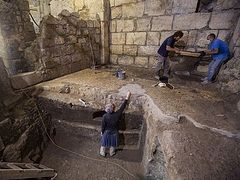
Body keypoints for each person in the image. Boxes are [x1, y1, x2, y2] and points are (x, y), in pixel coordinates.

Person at [99, 91, 131, 157]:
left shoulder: (105, 116)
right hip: (114, 132)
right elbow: (122, 107)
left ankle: (102, 153)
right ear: (113, 109)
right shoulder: (117, 114)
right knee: (113, 144)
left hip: (106, 132)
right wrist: (127, 97)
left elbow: (103, 126)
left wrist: (102, 132)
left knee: (103, 143)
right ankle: (112, 153)